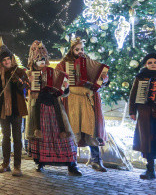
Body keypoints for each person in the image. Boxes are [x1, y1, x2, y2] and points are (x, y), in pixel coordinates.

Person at [25, 41, 81, 176]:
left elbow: (64, 92)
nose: (42, 62)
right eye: (39, 60)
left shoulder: (54, 72)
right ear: (34, 61)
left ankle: (71, 165)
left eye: (43, 59)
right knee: (41, 135)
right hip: (39, 110)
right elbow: (27, 93)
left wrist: (65, 87)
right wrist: (29, 84)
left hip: (55, 109)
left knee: (62, 135)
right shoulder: (29, 74)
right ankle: (40, 162)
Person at [56, 37, 109, 172]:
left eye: (82, 49)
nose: (80, 51)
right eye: (77, 49)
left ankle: (96, 160)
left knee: (91, 128)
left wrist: (104, 79)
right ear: (71, 50)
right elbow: (57, 79)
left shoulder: (89, 62)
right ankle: (72, 163)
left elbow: (99, 81)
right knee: (73, 130)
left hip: (87, 99)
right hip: (72, 100)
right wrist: (64, 82)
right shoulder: (64, 64)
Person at [0, 38, 28, 177]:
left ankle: (17, 166)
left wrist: (20, 82)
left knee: (17, 138)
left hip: (16, 110)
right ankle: (5, 164)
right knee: (5, 138)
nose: (7, 62)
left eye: (8, 59)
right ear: (0, 62)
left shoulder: (20, 71)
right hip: (3, 111)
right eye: (3, 60)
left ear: (11, 58)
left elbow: (25, 88)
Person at [129, 53, 156, 180]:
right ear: (146, 64)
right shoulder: (140, 77)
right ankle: (150, 170)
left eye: (155, 62)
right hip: (145, 113)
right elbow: (133, 95)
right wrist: (132, 111)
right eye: (150, 62)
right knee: (147, 141)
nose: (153, 65)